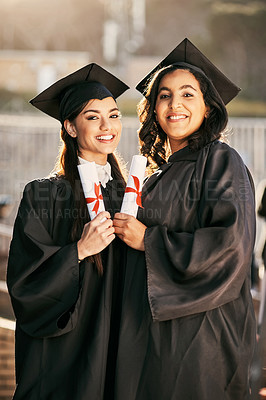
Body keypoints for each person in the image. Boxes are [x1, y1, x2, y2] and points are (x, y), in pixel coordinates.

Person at [113, 38, 256, 399]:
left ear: (208, 108)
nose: (175, 104)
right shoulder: (155, 175)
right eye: (164, 95)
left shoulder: (220, 160)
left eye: (188, 94)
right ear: (153, 108)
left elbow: (230, 245)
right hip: (148, 333)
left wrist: (148, 239)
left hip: (199, 335)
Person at [7, 63, 129, 399]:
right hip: (67, 353)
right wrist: (79, 251)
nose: (107, 126)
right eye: (92, 117)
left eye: (114, 115)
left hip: (121, 347)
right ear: (70, 127)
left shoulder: (132, 194)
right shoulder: (44, 194)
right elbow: (24, 285)